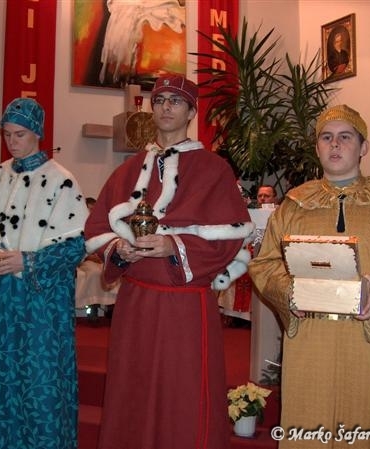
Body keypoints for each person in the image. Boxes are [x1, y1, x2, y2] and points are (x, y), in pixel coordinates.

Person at [85, 74, 254, 449]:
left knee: (184, 391)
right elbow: (96, 227)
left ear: (191, 112)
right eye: (159, 100)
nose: (165, 107)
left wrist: (173, 245)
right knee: (134, 386)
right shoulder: (128, 170)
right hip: (136, 302)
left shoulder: (214, 169)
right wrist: (119, 248)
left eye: (175, 101)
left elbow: (231, 236)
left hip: (185, 307)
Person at [248, 104, 370, 448]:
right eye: (326, 137)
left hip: (367, 341)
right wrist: (288, 291)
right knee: (306, 424)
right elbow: (265, 263)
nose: (335, 144)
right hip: (310, 339)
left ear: (364, 147)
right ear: (317, 148)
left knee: (364, 423)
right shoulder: (295, 204)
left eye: (345, 137)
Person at [0, 97, 88, 449]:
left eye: (20, 134)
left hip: (38, 305)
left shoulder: (61, 182)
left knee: (38, 382)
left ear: (37, 134)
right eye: (7, 134)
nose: (12, 141)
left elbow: (76, 246)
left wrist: (27, 262)